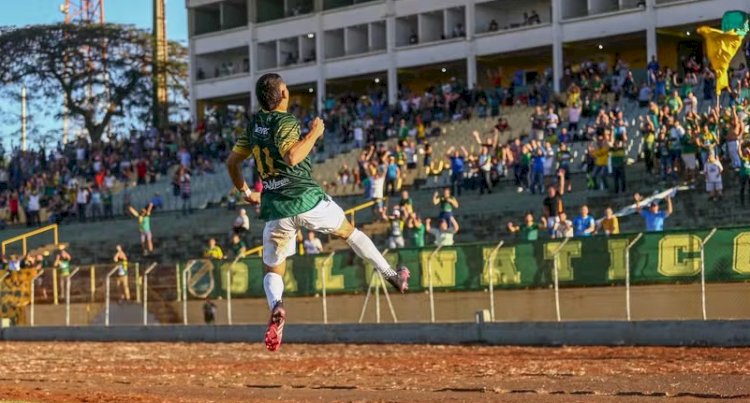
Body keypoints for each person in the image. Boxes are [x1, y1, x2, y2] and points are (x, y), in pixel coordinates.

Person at [226, 73, 410, 352]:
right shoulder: (286, 121)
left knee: (273, 268)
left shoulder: (254, 126)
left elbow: (232, 162)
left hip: (276, 208)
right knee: (350, 232)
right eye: (286, 88)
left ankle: (277, 306)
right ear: (283, 95)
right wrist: (315, 132)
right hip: (307, 199)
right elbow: (292, 157)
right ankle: (392, 275)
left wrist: (247, 193)